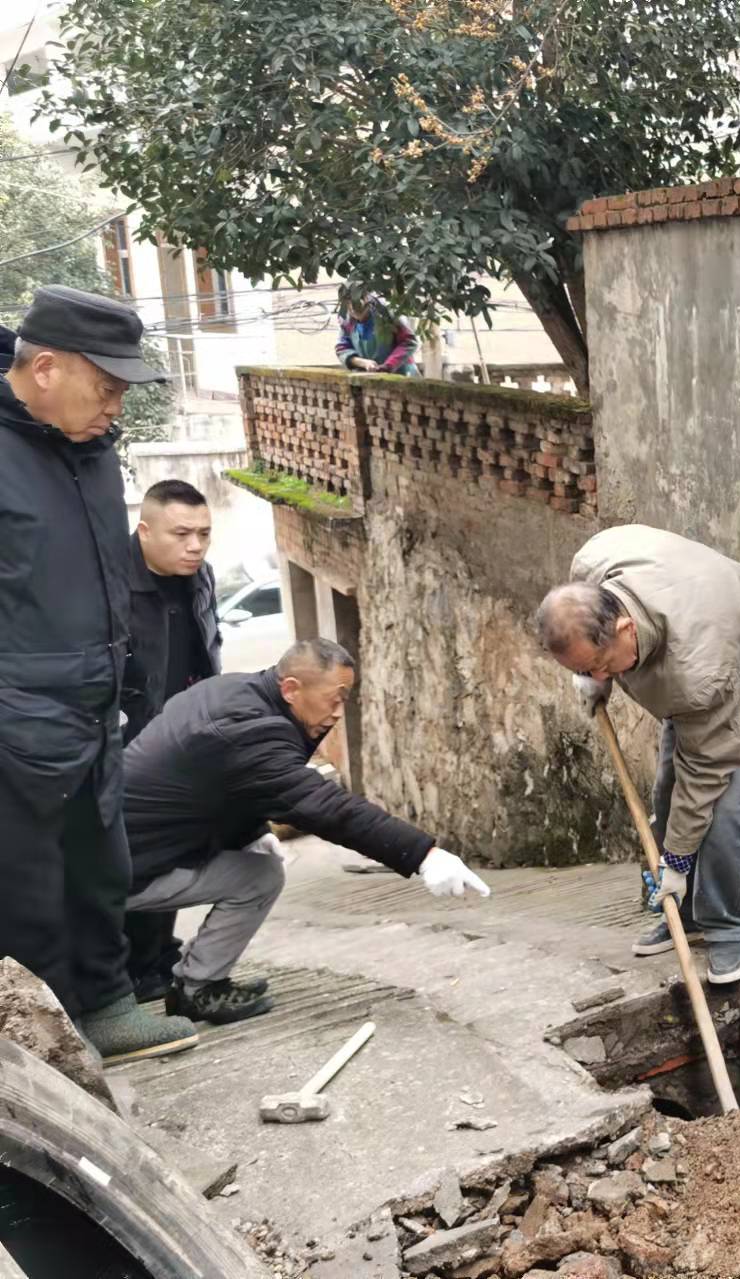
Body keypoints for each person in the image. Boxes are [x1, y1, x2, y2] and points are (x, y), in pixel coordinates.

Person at [0, 286, 199, 1065]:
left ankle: (110, 1006)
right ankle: (45, 1042)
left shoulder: (89, 446)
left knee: (99, 865)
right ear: (45, 368)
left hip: (95, 704)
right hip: (18, 711)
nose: (118, 403)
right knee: (28, 889)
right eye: (107, 385)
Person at [122, 639, 491, 1024]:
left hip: (127, 850)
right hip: (128, 871)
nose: (337, 713)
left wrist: (251, 832)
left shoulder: (233, 693)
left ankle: (197, 980)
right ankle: (198, 989)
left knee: (257, 862)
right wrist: (424, 856)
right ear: (291, 688)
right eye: (334, 698)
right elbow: (327, 808)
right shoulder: (248, 730)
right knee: (259, 877)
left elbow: (228, 785)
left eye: (344, 699)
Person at [535, 525, 740, 985]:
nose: (601, 674)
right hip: (701, 661)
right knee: (666, 792)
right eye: (587, 668)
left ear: (624, 627)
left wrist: (678, 860)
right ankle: (682, 913)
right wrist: (594, 673)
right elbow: (681, 780)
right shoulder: (592, 565)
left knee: (725, 809)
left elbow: (707, 770)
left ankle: (726, 927)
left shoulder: (695, 673)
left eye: (603, 664)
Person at [120, 478, 223, 1003]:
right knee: (137, 859)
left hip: (186, 744)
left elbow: (207, 651)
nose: (195, 545)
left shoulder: (200, 577)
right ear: (144, 531)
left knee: (179, 850)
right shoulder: (112, 583)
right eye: (181, 534)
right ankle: (133, 970)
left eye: (204, 533)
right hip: (132, 747)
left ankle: (159, 960)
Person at [335, 286, 420, 375]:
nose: (352, 308)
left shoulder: (388, 311)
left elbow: (409, 341)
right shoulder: (346, 320)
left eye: (357, 303)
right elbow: (341, 348)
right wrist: (363, 363)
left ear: (366, 298)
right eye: (348, 304)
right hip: (371, 379)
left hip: (402, 376)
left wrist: (388, 366)